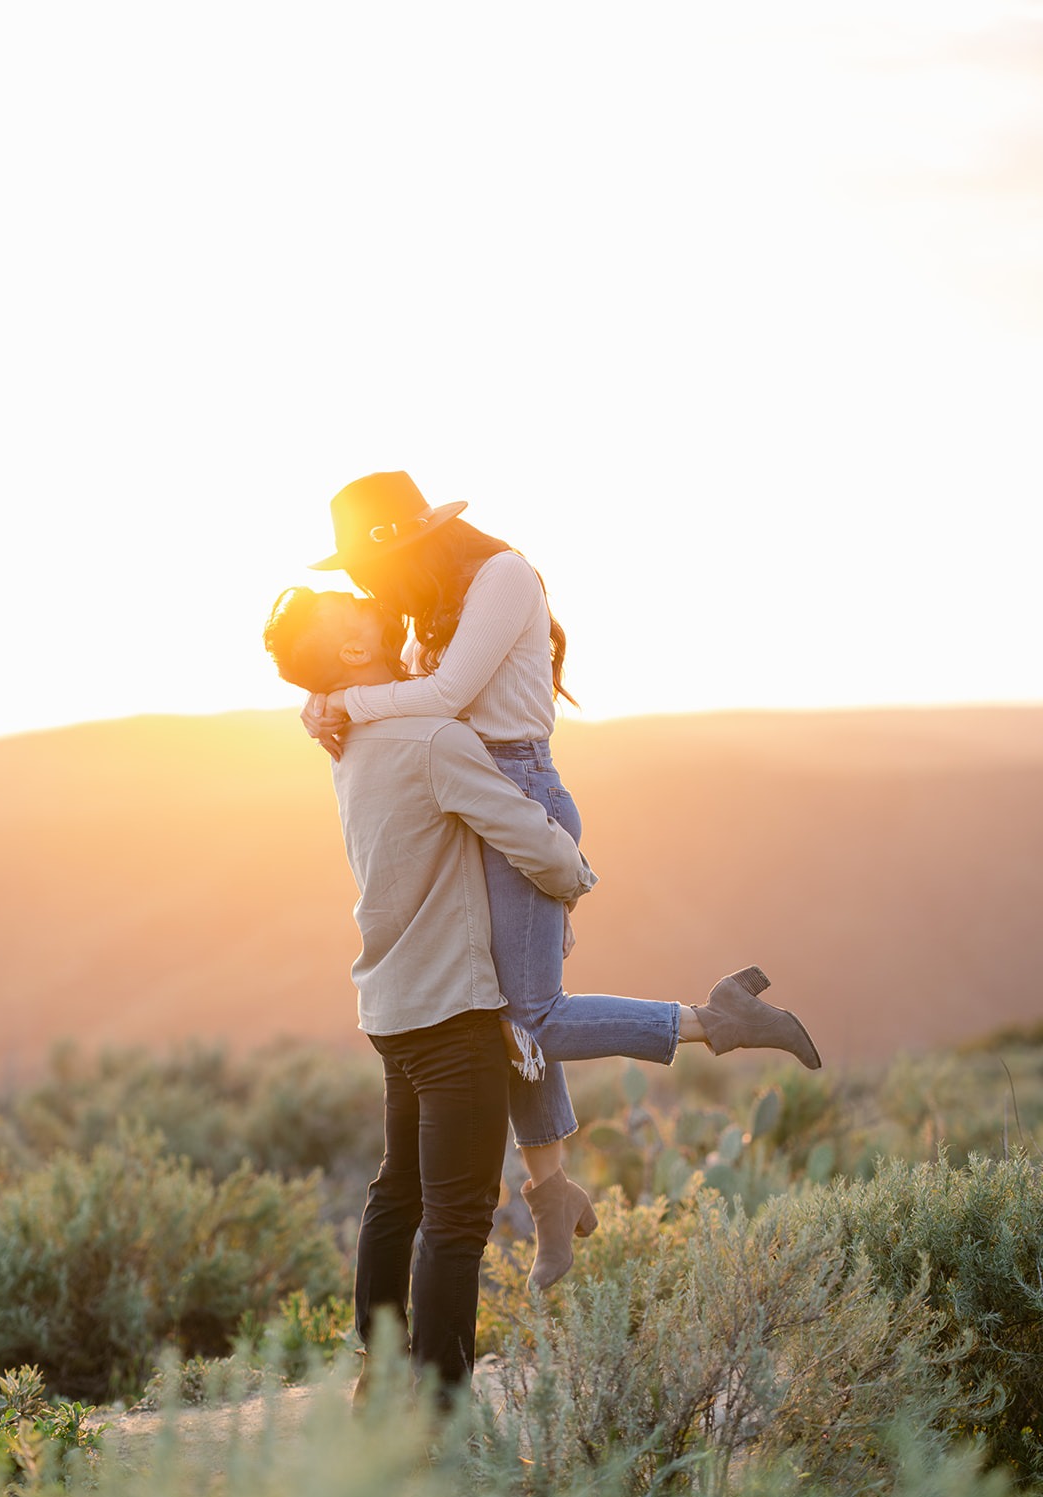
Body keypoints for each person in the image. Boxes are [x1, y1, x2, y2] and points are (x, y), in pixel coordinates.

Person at [297, 471, 823, 1290]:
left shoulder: (503, 577)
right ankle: (553, 1198)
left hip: (516, 790)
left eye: (375, 568)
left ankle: (714, 1020)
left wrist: (341, 702)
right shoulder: (432, 603)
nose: (373, 588)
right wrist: (322, 702)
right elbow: (416, 703)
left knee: (525, 1016)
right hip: (468, 793)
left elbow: (440, 696)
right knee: (503, 1017)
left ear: (417, 540)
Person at [263, 586, 598, 1404]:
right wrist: (576, 875)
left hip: (390, 1003)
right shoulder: (431, 739)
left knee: (398, 1193)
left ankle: (379, 1379)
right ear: (349, 654)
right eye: (360, 608)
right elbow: (524, 835)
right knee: (456, 1218)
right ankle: (441, 1408)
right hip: (454, 1008)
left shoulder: (347, 734)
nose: (381, 604)